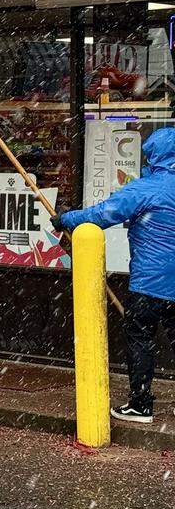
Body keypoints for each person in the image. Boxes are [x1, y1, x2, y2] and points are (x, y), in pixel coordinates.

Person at [54, 127, 175, 424]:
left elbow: (103, 214)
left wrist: (65, 219)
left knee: (140, 337)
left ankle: (141, 404)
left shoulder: (147, 189)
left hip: (151, 281)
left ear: (155, 156)